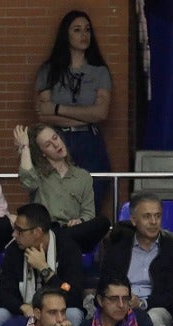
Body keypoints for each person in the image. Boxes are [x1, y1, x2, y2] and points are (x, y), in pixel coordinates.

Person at [33, 11, 113, 195]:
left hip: (89, 141)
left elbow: (101, 113)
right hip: (57, 139)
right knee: (56, 196)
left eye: (87, 30)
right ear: (65, 35)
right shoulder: (49, 70)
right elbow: (44, 114)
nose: (84, 35)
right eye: (77, 30)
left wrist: (58, 108)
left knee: (93, 195)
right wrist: (86, 115)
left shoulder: (99, 71)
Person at [98, 194, 173, 326]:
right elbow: (105, 283)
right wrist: (123, 300)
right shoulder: (116, 249)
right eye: (147, 216)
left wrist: (143, 303)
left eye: (157, 216)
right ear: (133, 220)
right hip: (120, 303)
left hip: (157, 308)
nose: (153, 222)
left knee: (153, 318)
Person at [15, 124, 109, 255]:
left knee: (103, 222)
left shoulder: (83, 176)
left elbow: (89, 214)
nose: (56, 144)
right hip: (47, 233)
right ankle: (61, 241)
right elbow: (27, 182)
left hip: (73, 231)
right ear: (42, 152)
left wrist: (80, 221)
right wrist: (25, 147)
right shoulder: (38, 175)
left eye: (55, 138)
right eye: (48, 144)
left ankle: (64, 240)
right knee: (61, 239)